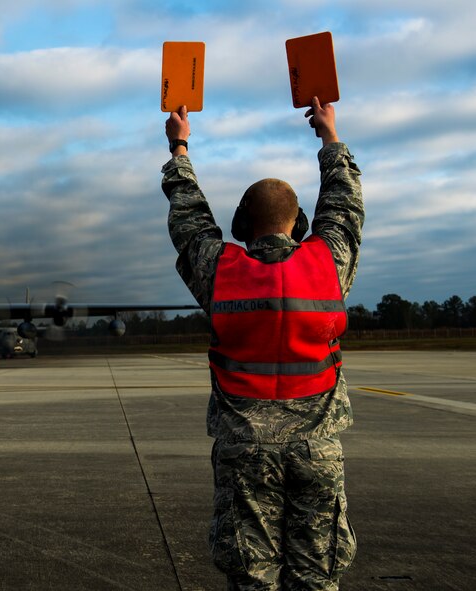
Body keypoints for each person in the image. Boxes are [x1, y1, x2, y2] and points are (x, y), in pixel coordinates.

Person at [161, 97, 363, 590]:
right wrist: (329, 136)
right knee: (316, 577)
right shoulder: (327, 262)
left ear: (243, 225)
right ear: (298, 222)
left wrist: (179, 146)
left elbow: (190, 220)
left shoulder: (221, 269)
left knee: (253, 579)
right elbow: (344, 204)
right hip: (317, 448)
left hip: (245, 449)